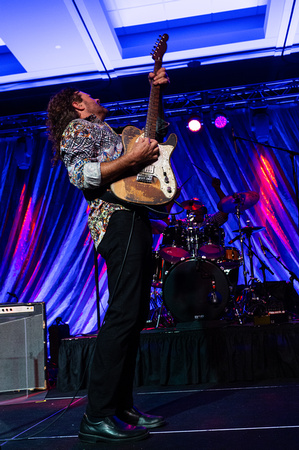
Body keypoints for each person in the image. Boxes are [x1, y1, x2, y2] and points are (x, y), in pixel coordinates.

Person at [46, 67, 170, 444]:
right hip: (115, 220)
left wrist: (155, 90)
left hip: (134, 217)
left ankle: (121, 407)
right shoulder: (79, 129)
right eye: (89, 95)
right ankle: (96, 415)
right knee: (122, 316)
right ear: (77, 104)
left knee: (133, 317)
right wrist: (132, 161)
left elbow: (153, 139)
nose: (97, 98)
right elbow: (82, 175)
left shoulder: (112, 133)